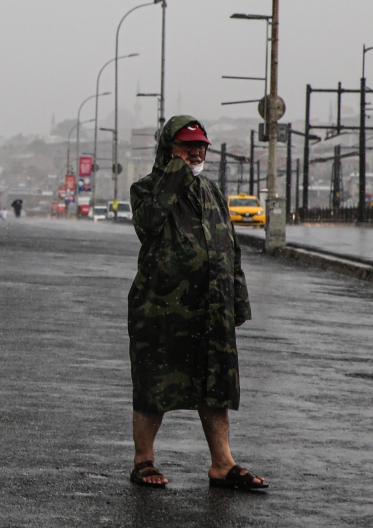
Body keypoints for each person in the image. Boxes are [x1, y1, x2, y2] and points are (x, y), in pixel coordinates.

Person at [126, 116, 266, 491]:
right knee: (155, 384)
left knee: (215, 384)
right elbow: (149, 223)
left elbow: (230, 248)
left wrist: (237, 302)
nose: (196, 152)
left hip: (212, 308)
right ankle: (144, 460)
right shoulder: (147, 189)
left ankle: (223, 463)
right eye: (187, 146)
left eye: (201, 146)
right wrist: (175, 174)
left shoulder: (213, 192)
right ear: (168, 149)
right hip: (161, 309)